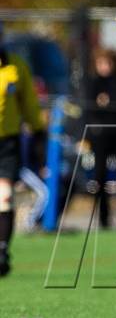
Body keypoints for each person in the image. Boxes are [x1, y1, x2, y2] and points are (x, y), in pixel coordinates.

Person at [0, 42, 46, 276]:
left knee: (5, 197)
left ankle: (3, 251)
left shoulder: (15, 67)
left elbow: (29, 103)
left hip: (7, 142)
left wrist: (38, 132)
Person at [85, 48, 116, 227]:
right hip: (100, 137)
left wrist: (108, 102)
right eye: (101, 63)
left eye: (107, 63)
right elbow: (90, 108)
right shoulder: (93, 83)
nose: (104, 67)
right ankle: (103, 219)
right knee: (99, 178)